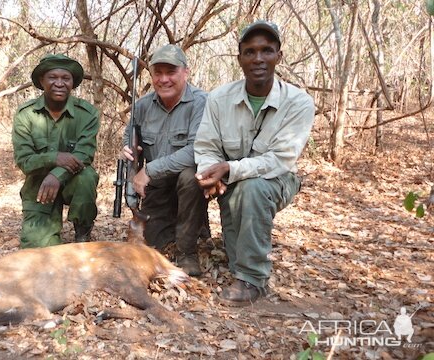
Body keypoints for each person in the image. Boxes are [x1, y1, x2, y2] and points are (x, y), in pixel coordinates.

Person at [194, 21, 315, 305]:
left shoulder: (299, 102)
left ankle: (253, 278)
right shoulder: (219, 98)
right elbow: (206, 146)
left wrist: (230, 170)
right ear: (240, 59)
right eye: (250, 52)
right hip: (231, 176)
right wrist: (211, 173)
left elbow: (280, 159)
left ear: (278, 56)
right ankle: (238, 262)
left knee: (251, 189)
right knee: (220, 188)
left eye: (266, 51)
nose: (258, 59)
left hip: (277, 178)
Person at [120, 44, 208, 276]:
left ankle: (187, 252)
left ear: (185, 72)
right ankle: (180, 226)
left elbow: (196, 150)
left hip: (185, 181)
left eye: (171, 72)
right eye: (158, 73)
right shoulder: (143, 105)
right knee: (152, 243)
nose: (164, 79)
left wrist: (149, 170)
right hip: (157, 186)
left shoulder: (202, 102)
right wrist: (128, 149)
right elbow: (129, 134)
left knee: (191, 177)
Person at [12, 54, 99, 248]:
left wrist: (57, 176)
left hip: (73, 180)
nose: (59, 83)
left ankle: (82, 231)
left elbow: (84, 155)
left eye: (65, 78)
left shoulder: (87, 114)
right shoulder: (26, 115)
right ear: (42, 81)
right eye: (52, 77)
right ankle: (45, 223)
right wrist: (55, 158)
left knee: (87, 177)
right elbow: (24, 160)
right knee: (36, 252)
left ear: (72, 83)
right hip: (39, 186)